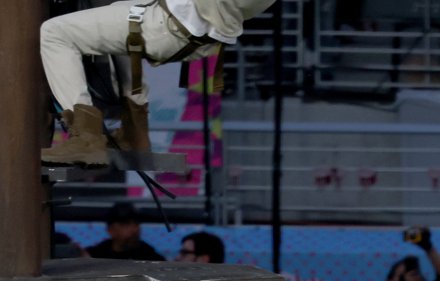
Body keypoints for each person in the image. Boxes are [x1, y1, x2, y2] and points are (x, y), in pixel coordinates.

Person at [40, 0, 276, 166]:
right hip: (190, 27)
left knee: (55, 33)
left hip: (171, 24)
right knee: (113, 12)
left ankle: (85, 139)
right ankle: (135, 134)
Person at [87, 201, 165, 260]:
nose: (134, 229)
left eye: (136, 224)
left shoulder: (149, 255)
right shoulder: (97, 255)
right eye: (126, 224)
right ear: (111, 230)